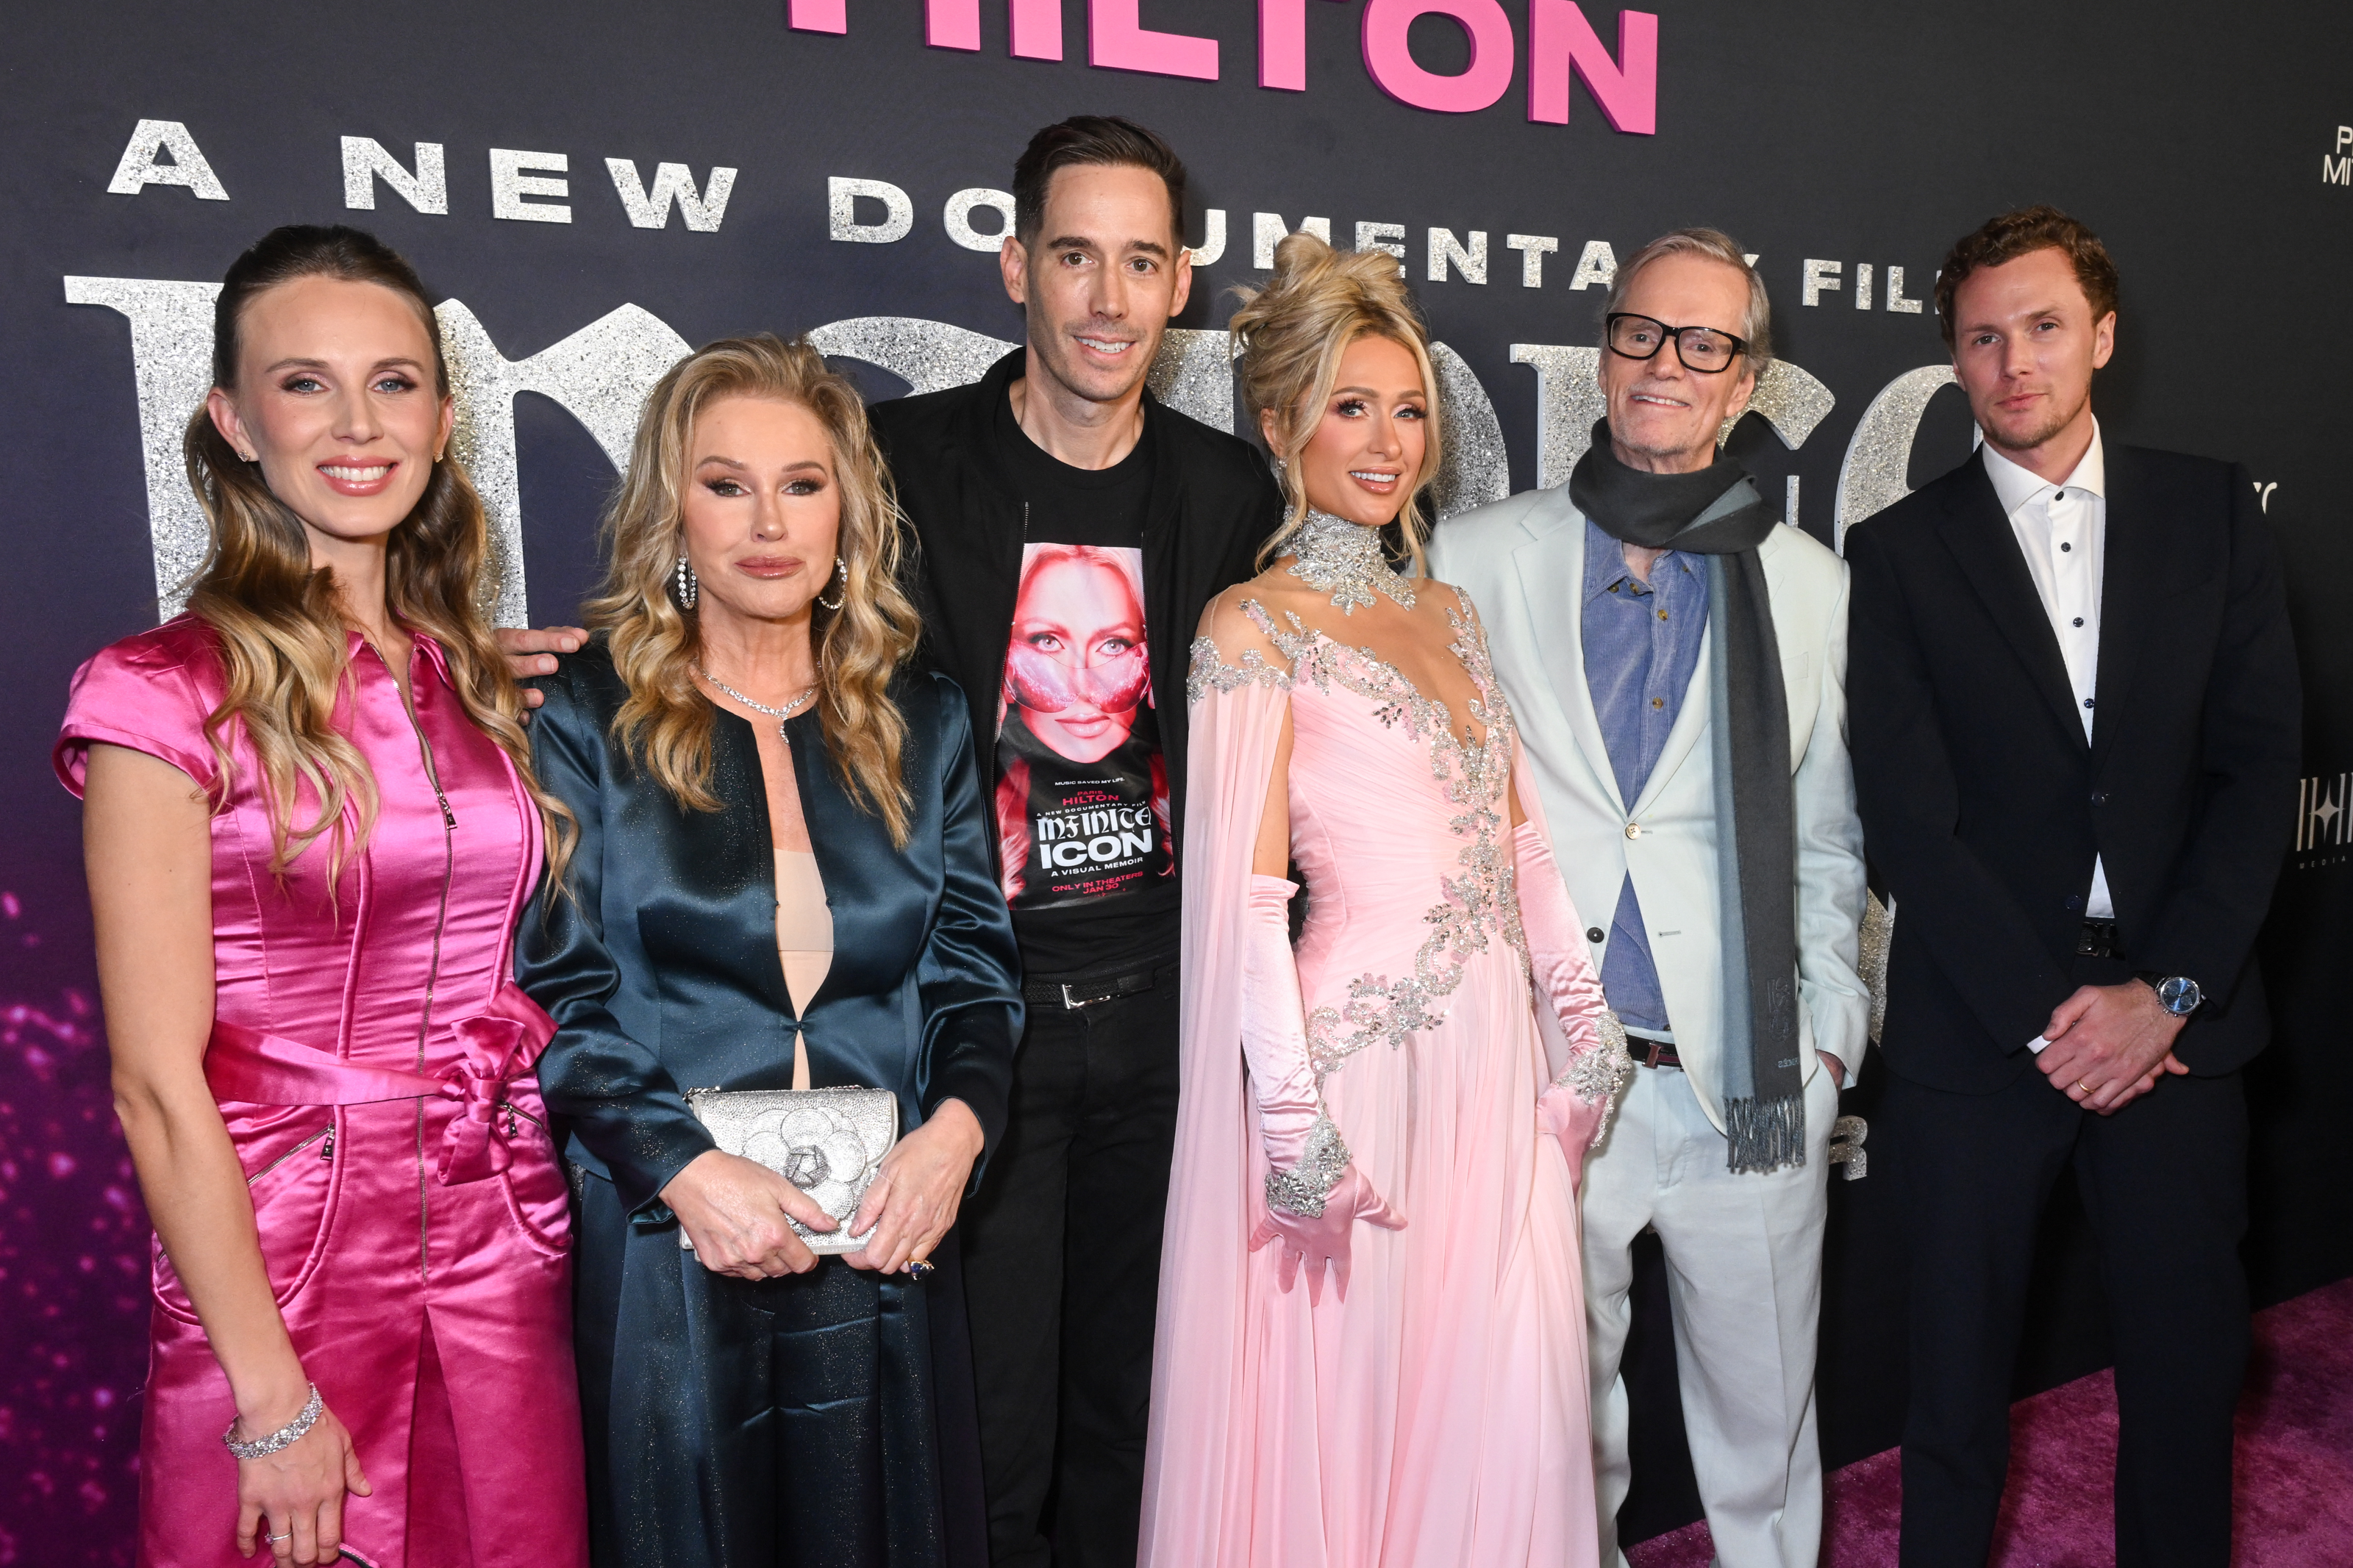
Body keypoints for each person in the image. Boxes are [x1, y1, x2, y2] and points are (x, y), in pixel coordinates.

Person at [55, 224, 588, 1568]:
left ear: (446, 412)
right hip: (283, 1259)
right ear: (233, 420)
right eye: (306, 384)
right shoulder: (159, 692)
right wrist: (268, 1395)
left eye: (396, 383)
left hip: (499, 1232)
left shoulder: (472, 679)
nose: (359, 425)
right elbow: (154, 1086)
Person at [1140, 232, 1628, 1568]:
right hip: (1357, 1069)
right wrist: (1290, 1124)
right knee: (1350, 1414)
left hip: (1496, 1071)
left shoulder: (1454, 613)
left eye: (1407, 408)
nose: (1386, 440)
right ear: (1280, 419)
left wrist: (1578, 1022)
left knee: (1499, 1399)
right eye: (1352, 407)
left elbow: (1524, 850)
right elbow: (1242, 904)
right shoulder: (1252, 624)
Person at [517, 334, 1021, 1568]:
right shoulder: (587, 719)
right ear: (669, 511)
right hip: (671, 1237)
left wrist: (955, 1137)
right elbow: (560, 993)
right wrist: (685, 1170)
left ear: (847, 511)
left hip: (884, 1232)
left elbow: (974, 970)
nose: (767, 521)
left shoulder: (926, 718)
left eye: (802, 483)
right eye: (725, 482)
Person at [1846, 207, 2300, 1568]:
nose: (2013, 362)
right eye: (1981, 338)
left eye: (2042, 327)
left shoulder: (2213, 510)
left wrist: (2163, 996)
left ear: (2100, 335)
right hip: (1983, 1031)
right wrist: (2058, 1012)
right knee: (1950, 1397)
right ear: (1955, 360)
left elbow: (2259, 771)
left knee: (2180, 1382)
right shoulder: (1900, 550)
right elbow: (1909, 825)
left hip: (2181, 1024)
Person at [863, 116, 1280, 1568]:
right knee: (988, 1429)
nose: (1107, 299)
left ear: (1181, 286)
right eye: (1076, 255)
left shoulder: (1228, 493)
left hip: (1172, 1017)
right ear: (1015, 267)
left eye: (1141, 261)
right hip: (981, 1019)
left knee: (1139, 1409)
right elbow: (725, 574)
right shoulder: (898, 459)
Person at [1427, 229, 1868, 1568]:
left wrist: (1832, 1042)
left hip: (1749, 1083)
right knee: (1560, 1437)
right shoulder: (1474, 556)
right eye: (1638, 332)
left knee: (1764, 1437)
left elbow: (1832, 843)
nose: (1662, 363)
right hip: (1547, 1082)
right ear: (1603, 348)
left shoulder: (1813, 587)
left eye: (1703, 342)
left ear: (1746, 383)